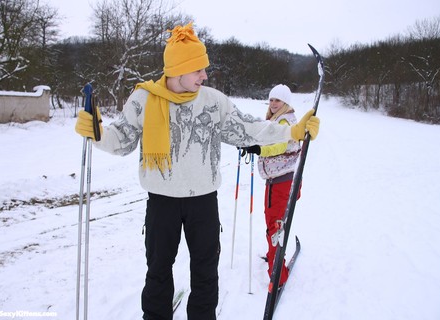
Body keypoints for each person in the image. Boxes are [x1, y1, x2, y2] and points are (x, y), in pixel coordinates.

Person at [75, 23, 319, 320]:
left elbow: (249, 130)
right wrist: (97, 133)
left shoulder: (213, 101)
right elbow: (122, 140)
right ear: (178, 70)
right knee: (158, 271)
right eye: (198, 69)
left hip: (203, 202)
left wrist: (291, 131)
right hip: (161, 202)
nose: (205, 75)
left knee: (205, 272)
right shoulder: (144, 99)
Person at [240, 84, 313, 287]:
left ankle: (277, 274)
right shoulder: (277, 119)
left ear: (285, 103)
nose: (273, 104)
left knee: (275, 226)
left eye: (277, 100)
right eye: (271, 100)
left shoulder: (285, 121)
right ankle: (273, 256)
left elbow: (279, 145)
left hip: (281, 183)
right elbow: (265, 137)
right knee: (273, 222)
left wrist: (258, 150)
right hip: (277, 181)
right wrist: (249, 141)